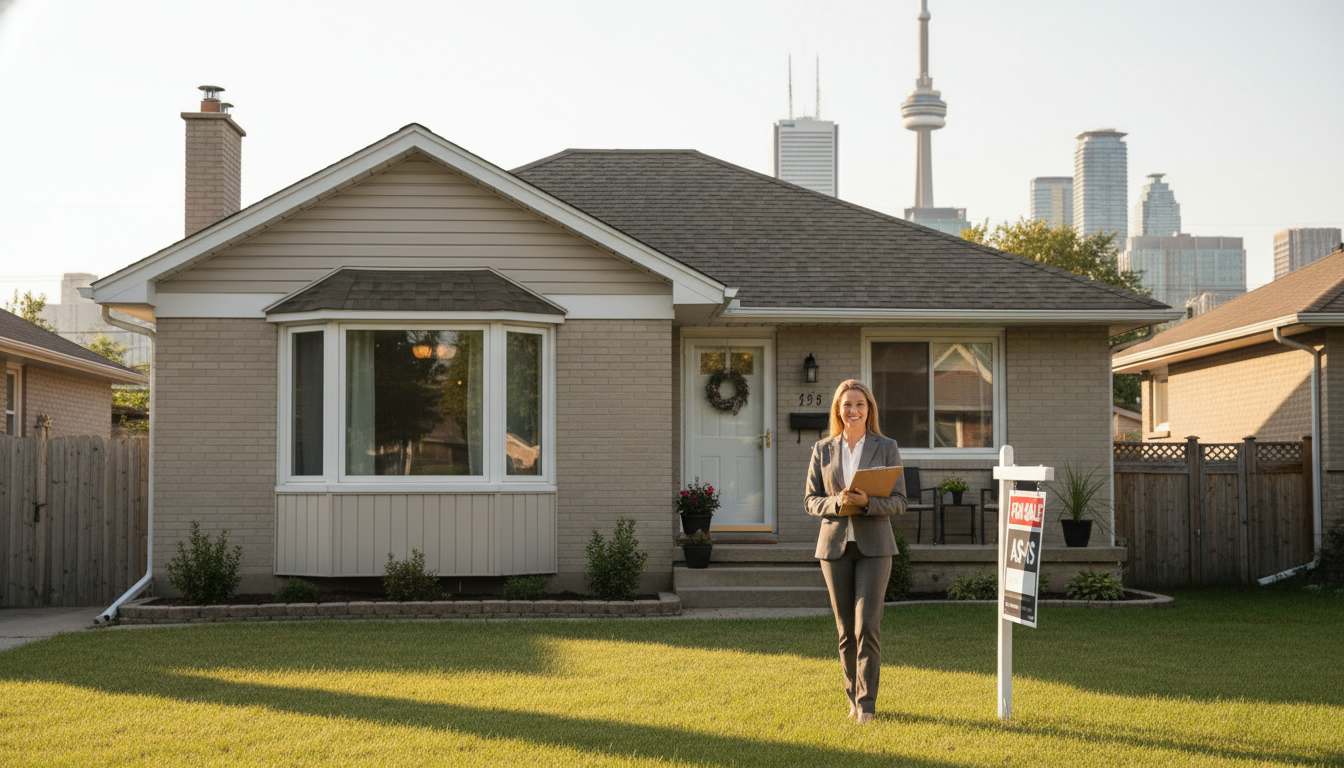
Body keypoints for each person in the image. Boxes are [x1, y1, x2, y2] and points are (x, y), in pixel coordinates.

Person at [804, 379, 907, 723]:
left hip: (875, 547)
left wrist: (867, 504)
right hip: (834, 547)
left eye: (860, 404)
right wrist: (837, 502)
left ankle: (867, 705)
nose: (853, 410)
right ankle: (852, 698)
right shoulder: (823, 448)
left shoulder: (887, 446)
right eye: (847, 404)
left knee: (868, 626)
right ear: (838, 409)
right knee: (846, 630)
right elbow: (810, 500)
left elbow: (899, 501)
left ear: (869, 409)